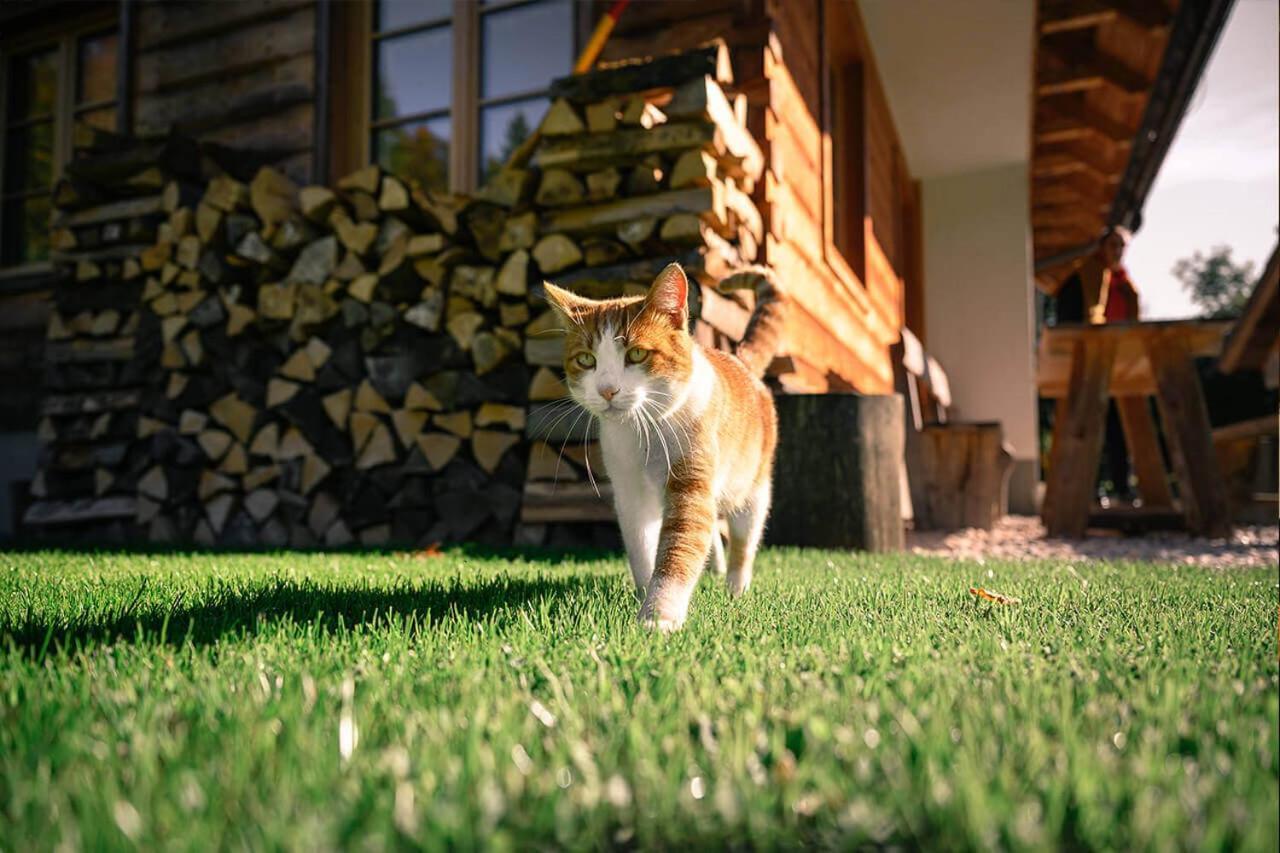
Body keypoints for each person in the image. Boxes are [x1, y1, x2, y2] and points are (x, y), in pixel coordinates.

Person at [1048, 226, 1141, 501]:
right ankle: (1087, 490)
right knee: (1087, 425)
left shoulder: (1124, 283)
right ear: (1101, 247)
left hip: (1119, 366)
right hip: (1090, 364)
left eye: (1122, 246)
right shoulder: (1084, 277)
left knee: (1119, 429)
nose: (1118, 251)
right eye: (1113, 245)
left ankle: (1122, 489)